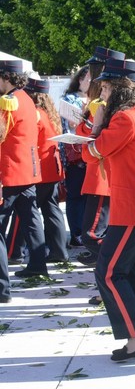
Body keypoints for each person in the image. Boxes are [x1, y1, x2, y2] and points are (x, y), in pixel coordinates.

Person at [84, 58, 135, 361]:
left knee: (108, 273)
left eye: (106, 87)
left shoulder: (125, 118)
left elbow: (91, 153)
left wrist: (97, 124)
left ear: (120, 88)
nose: (102, 93)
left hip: (133, 208)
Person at [0, 60, 49, 304]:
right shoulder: (27, 98)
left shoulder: (8, 101)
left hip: (9, 171)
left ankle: (2, 289)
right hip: (28, 170)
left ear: (6, 78)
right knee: (31, 219)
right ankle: (38, 265)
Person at [75, 47, 126, 271]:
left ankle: (116, 259)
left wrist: (88, 124)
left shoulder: (104, 104)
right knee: (98, 230)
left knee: (92, 233)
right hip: (100, 170)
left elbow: (93, 137)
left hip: (102, 171)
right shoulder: (99, 101)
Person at [22, 78, 68, 262]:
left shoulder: (35, 113)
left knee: (32, 211)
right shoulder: (49, 112)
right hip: (52, 167)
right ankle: (59, 251)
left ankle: (21, 250)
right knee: (51, 210)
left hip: (41, 168)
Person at [60, 66, 90, 248]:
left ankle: (87, 232)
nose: (90, 82)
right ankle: (76, 233)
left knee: (89, 197)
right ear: (80, 80)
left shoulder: (98, 98)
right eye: (87, 79)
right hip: (76, 154)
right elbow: (70, 124)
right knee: (75, 195)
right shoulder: (70, 99)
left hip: (93, 153)